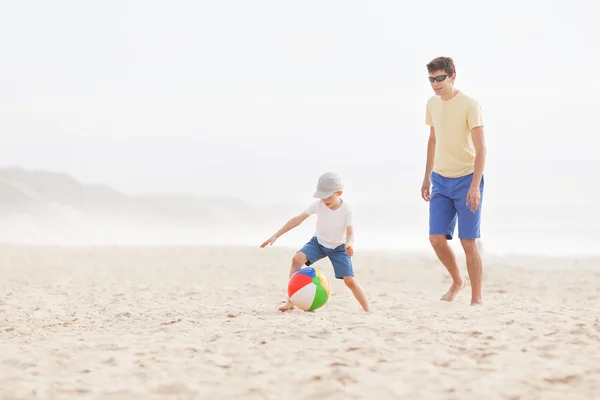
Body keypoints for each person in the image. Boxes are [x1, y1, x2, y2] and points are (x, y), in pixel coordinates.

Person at [421, 56, 486, 306]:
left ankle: (476, 299)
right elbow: (433, 140)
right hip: (440, 179)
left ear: (452, 76)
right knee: (436, 238)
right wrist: (427, 176)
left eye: (440, 78)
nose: (435, 84)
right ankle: (458, 280)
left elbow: (481, 147)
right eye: (431, 79)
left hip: (467, 178)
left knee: (468, 241)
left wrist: (474, 185)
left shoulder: (470, 104)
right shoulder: (432, 104)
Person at [260, 172, 370, 312]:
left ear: (339, 193)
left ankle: (367, 309)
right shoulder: (318, 205)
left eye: (328, 197)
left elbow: (350, 233)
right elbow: (297, 220)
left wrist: (349, 244)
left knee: (350, 281)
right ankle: (290, 302)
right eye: (322, 197)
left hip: (339, 248)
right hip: (318, 243)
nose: (325, 201)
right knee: (297, 259)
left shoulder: (346, 209)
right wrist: (275, 236)